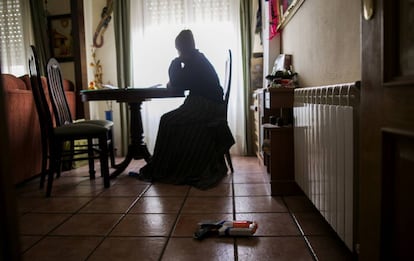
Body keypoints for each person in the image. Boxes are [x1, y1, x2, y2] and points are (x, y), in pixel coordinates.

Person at [138, 29, 235, 189]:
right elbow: (181, 81)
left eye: (179, 50)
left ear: (182, 49)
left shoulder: (195, 63)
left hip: (205, 106)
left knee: (167, 120)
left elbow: (177, 83)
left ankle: (164, 167)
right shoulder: (197, 60)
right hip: (208, 104)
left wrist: (175, 63)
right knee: (169, 119)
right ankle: (169, 164)